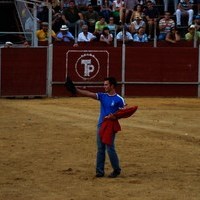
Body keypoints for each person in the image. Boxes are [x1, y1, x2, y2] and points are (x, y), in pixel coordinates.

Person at [75, 77, 126, 178]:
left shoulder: (119, 99)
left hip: (111, 126)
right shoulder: (103, 96)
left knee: (110, 148)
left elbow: (123, 113)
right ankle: (99, 171)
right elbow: (89, 94)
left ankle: (116, 169)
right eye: (104, 84)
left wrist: (114, 116)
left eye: (106, 85)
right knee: (100, 148)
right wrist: (76, 89)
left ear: (112, 86)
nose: (104, 86)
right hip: (101, 125)